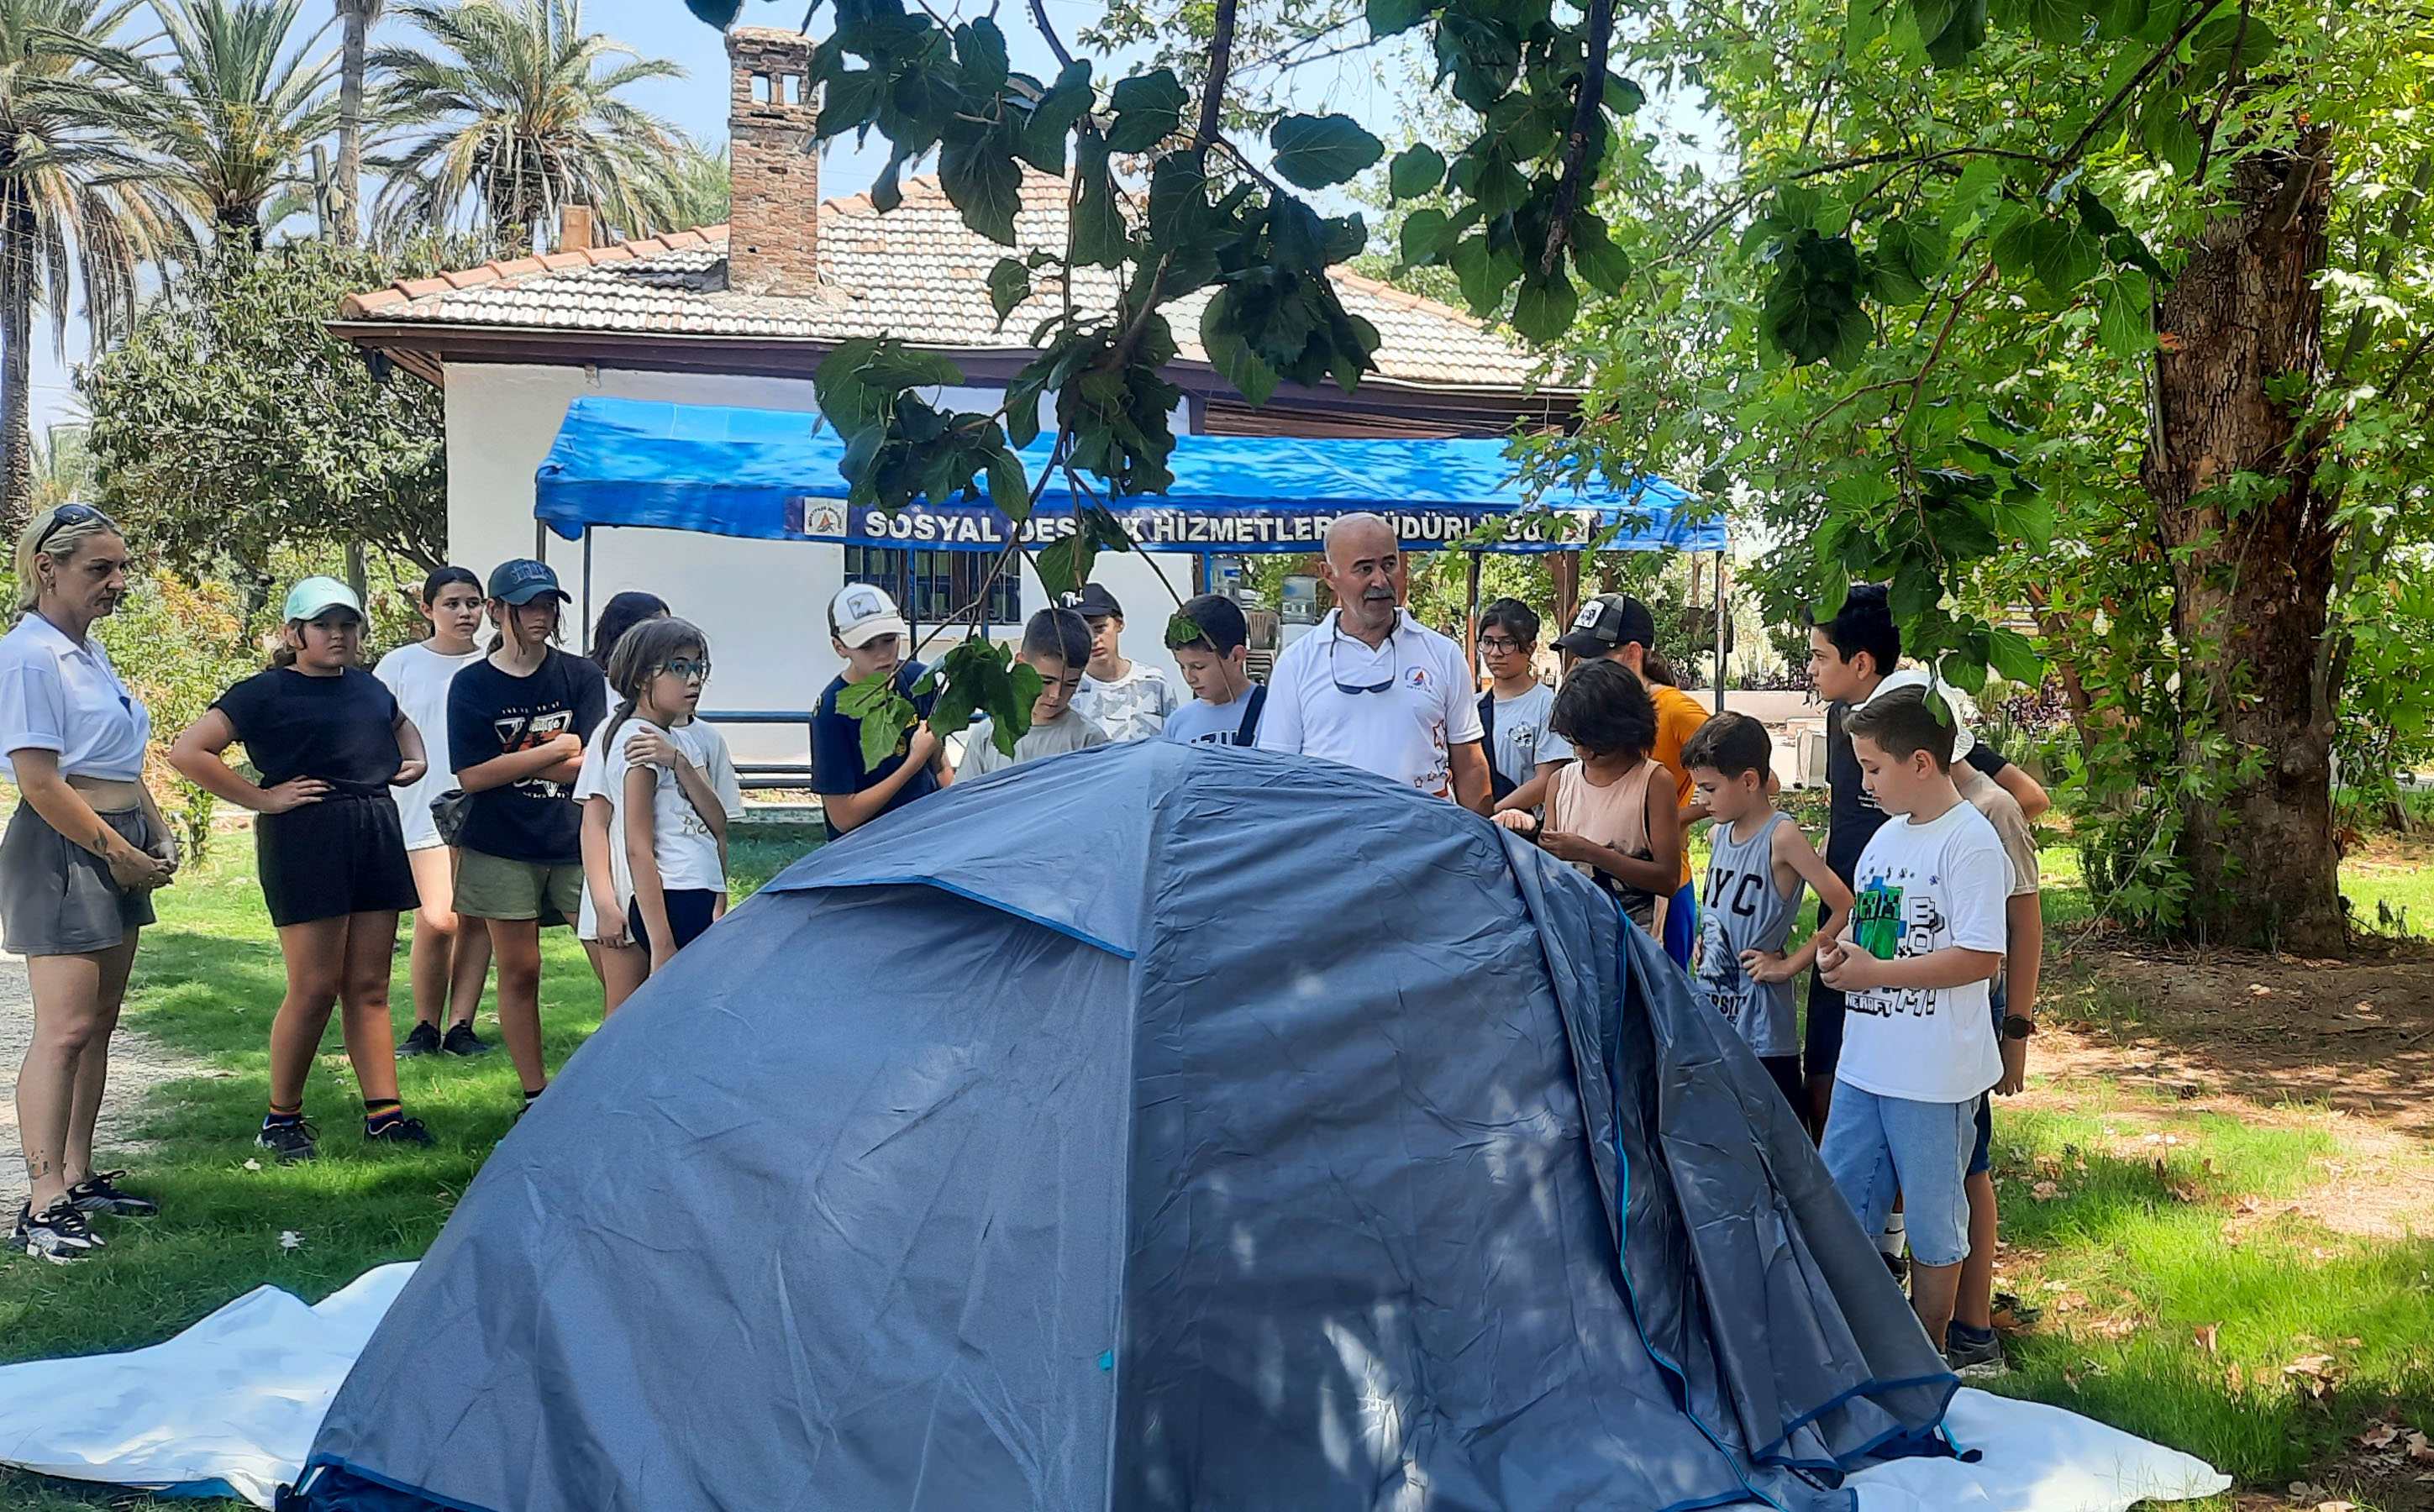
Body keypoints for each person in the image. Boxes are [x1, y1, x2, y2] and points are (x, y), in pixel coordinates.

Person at [171, 578, 434, 1163]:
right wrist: (260, 799)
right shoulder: (263, 693)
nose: (338, 635)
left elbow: (399, 724)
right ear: (295, 635)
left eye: (347, 624)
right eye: (323, 625)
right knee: (314, 986)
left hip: (374, 828)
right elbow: (188, 752)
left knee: (368, 985)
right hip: (307, 836)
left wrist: (413, 759)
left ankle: (384, 1116)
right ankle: (281, 1118)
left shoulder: (369, 689)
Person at [1805, 584, 2049, 1138]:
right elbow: (1839, 823)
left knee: (1941, 1150)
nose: (1811, 670)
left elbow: (2022, 801)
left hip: (1931, 984)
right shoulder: (1845, 723)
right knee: (1833, 1090)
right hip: (1857, 943)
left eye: (1820, 656)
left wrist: (1960, 849)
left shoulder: (1922, 727)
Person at [1814, 686, 2011, 1362]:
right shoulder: (1882, 840)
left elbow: (1983, 955)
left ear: (1921, 763)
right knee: (1839, 1207)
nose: (1863, 782)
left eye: (1872, 768)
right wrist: (1842, 961)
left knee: (1933, 1225)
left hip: (1933, 1077)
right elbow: (1875, 936)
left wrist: (1877, 975)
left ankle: (1926, 1354)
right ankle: (1857, 1350)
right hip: (1865, 1065)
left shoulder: (1971, 842)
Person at [3, 505, 176, 1263]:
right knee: (65, 1028)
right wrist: (118, 852)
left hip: (117, 839)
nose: (117, 582)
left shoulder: (88, 651)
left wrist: (156, 826)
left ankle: (77, 1176)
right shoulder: (30, 656)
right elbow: (41, 781)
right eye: (99, 568)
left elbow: (116, 761)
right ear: (48, 568)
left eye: (122, 567)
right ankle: (41, 1202)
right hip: (65, 848)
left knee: (100, 1022)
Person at [447, 559, 604, 1112]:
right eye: (526, 605)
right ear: (496, 610)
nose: (540, 615)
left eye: (547, 604)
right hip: (500, 843)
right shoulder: (471, 684)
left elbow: (590, 764)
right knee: (520, 968)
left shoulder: (580, 675)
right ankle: (534, 1093)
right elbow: (470, 775)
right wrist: (550, 752)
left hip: (575, 839)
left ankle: (614, 1081)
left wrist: (510, 762)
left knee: (616, 956)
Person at [1258, 513, 1491, 811]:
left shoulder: (1442, 654)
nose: (1380, 580)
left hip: (1426, 842)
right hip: (1334, 842)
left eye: (1389, 565)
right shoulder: (1297, 663)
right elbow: (1278, 774)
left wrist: (1483, 846)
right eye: (1364, 568)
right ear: (1329, 575)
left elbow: (1470, 764)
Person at [1681, 712, 1853, 1115]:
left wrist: (1791, 964)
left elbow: (1843, 904)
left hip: (1761, 1027)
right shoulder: (1717, 832)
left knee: (1774, 1135)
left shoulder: (1783, 836)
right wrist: (1706, 938)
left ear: (1749, 780)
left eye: (1709, 788)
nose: (1701, 800)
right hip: (1714, 1011)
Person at [581, 618, 740, 1008]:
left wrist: (680, 762)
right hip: (671, 898)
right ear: (640, 678)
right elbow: (638, 847)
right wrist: (662, 943)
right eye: (679, 668)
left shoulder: (677, 740)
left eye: (698, 667)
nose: (694, 680)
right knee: (658, 1020)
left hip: (694, 892)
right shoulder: (637, 742)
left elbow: (716, 821)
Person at [1949, 750, 2047, 1378]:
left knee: (1969, 1164)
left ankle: (1973, 1328)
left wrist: (2014, 1031)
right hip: (1909, 1027)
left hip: (1970, 1019)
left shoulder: (1994, 811)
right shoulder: (1903, 817)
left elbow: (2022, 927)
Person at [1548, 593, 1710, 961]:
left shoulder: (1672, 708)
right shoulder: (1581, 718)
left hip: (1654, 906)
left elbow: (1748, 775)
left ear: (1632, 654)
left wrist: (1674, 817)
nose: (1580, 668)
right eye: (1578, 658)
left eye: (1593, 657)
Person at [376, 566, 493, 1060]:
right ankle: (425, 1023)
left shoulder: (495, 663)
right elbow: (376, 726)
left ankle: (461, 1025)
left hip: (484, 803)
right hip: (420, 806)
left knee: (477, 916)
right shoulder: (400, 664)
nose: (465, 613)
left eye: (473, 602)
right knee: (439, 917)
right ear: (427, 609)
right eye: (452, 603)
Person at [1490, 660, 1680, 935]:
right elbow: (1551, 861)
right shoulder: (1561, 781)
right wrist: (1527, 830)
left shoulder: (1653, 783)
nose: (1582, 752)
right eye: (1575, 742)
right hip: (1571, 941)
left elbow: (1667, 879)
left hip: (1632, 950)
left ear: (1625, 730)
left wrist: (1589, 853)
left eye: (1594, 745)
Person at [571, 591, 670, 987]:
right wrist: (605, 902)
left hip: (674, 884)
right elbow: (595, 818)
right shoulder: (610, 720)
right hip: (622, 882)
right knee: (625, 1005)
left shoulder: (690, 732)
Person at [812, 584, 953, 837]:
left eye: (890, 639)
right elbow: (843, 817)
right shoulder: (832, 711)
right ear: (839, 647)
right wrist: (913, 762)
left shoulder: (918, 679)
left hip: (927, 834)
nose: (883, 654)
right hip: (867, 850)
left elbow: (941, 765)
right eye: (867, 646)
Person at [959, 607, 1110, 777]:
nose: (1056, 695)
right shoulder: (986, 736)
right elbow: (964, 800)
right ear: (1020, 664)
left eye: (1071, 683)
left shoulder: (1090, 740)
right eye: (1046, 681)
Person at [1475, 597, 1570, 801]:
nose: (1495, 653)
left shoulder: (1547, 705)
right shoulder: (1473, 706)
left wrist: (1493, 815)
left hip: (1522, 826)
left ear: (1531, 647)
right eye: (1488, 642)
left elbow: (1547, 780)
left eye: (1507, 643)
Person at [1067, 583, 1179, 740]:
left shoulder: (1154, 682)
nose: (1093, 639)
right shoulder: (1067, 689)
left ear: (1119, 623)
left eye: (1100, 628)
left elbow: (1173, 743)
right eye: (1082, 632)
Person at [1161, 593, 1267, 746]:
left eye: (1198, 667)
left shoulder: (1272, 712)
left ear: (1237, 657)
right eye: (1182, 666)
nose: (1189, 677)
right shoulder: (1179, 722)